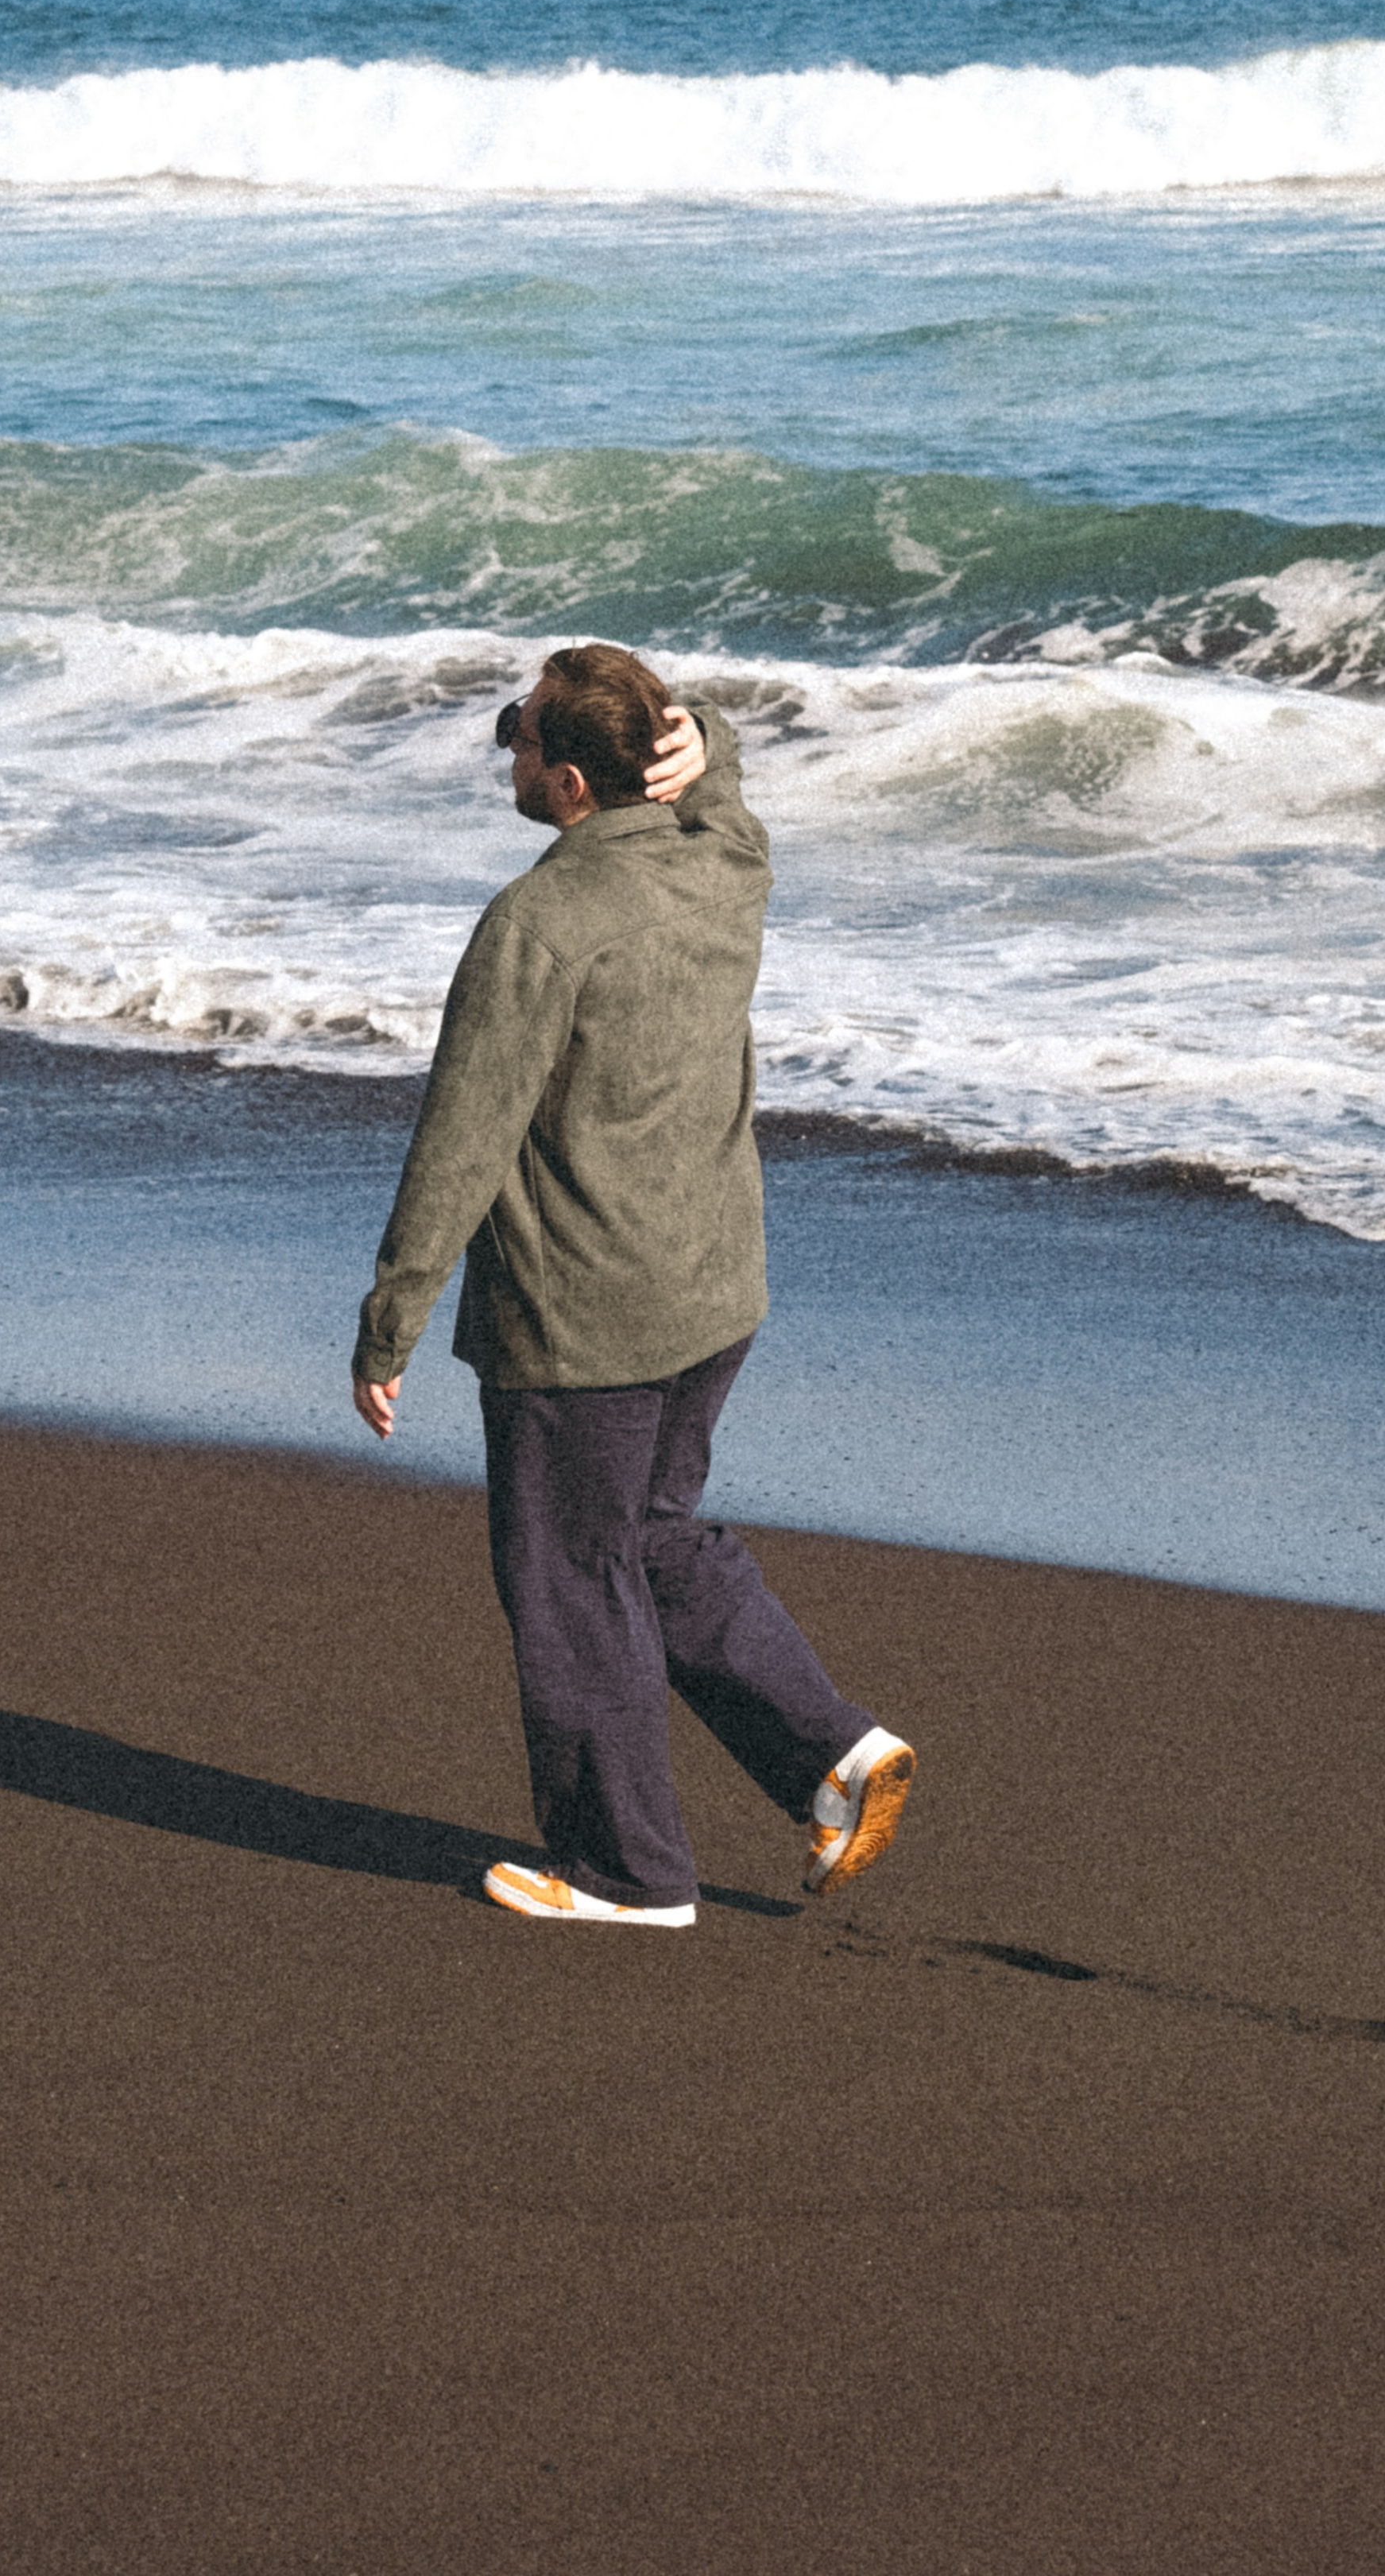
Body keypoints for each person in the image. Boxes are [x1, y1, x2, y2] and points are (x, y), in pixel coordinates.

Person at [351, 639, 913, 1927]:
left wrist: (393, 1316)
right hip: (713, 1292)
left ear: (566, 782)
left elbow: (465, 1135)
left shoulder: (539, 923)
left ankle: (625, 1871)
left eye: (521, 730)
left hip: (585, 1317)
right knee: (652, 1536)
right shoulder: (727, 864)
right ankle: (836, 1752)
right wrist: (704, 729)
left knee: (568, 1571)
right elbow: (721, 791)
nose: (510, 748)